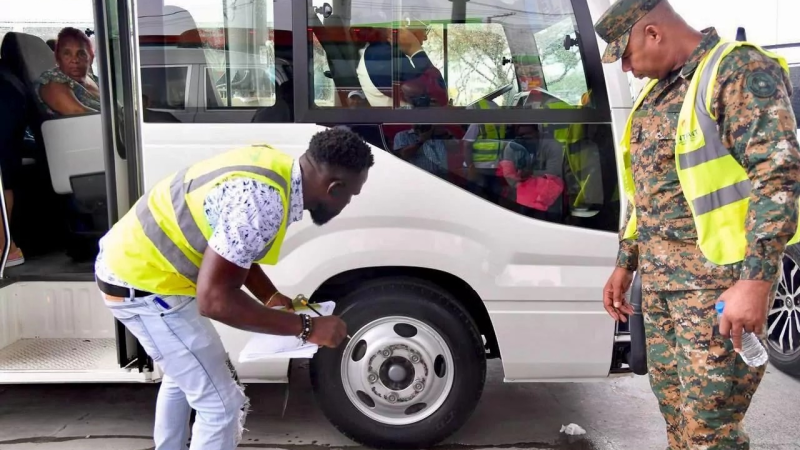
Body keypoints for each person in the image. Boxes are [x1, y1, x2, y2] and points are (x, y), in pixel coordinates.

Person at [595, 1, 800, 449]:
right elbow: (647, 192)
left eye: (625, 54)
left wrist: (756, 282)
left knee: (710, 429)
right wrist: (625, 262)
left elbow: (779, 176)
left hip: (718, 291)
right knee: (677, 418)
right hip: (665, 287)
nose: (627, 69)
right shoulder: (658, 94)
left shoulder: (735, 69)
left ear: (652, 32)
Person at [94, 127, 374, 450]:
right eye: (352, 195)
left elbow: (231, 246)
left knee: (186, 374)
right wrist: (308, 327)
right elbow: (214, 301)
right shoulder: (264, 203)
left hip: (137, 268)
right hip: (143, 284)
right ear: (334, 188)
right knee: (222, 405)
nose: (349, 203)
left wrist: (270, 296)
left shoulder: (273, 166)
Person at [34, 27, 101, 117]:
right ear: (58, 58)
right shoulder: (52, 81)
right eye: (67, 54)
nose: (75, 60)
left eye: (81, 54)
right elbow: (77, 112)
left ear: (91, 58)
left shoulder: (95, 79)